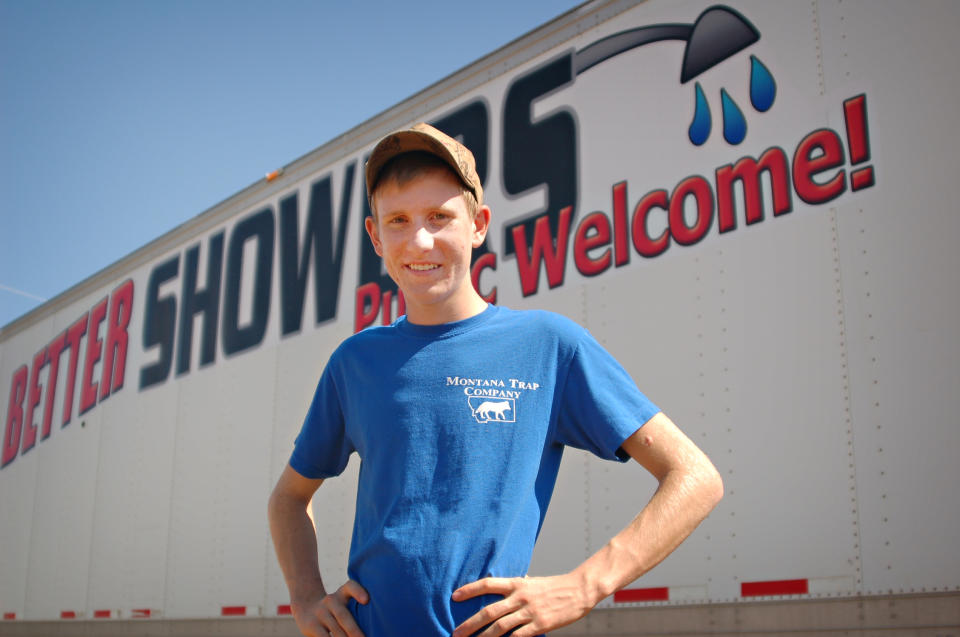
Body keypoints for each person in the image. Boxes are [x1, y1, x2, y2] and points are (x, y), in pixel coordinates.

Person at [268, 123, 724, 637]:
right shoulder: (355, 362)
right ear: (376, 236)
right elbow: (288, 499)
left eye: (440, 216)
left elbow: (695, 478)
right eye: (398, 220)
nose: (420, 239)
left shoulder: (548, 345)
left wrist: (584, 585)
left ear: (479, 224)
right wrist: (306, 598)